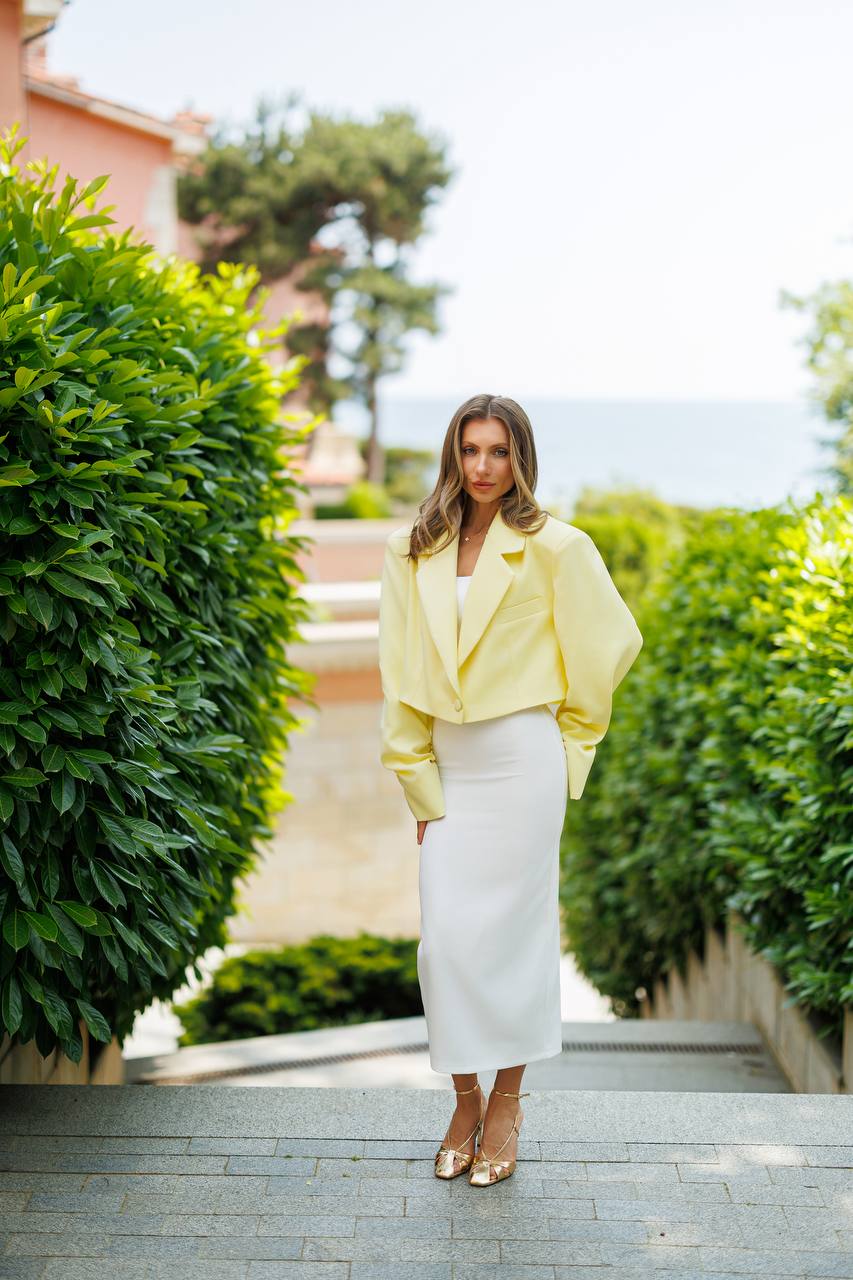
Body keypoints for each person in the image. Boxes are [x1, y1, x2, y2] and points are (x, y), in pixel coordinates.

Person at [378, 393, 643, 1186]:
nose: (484, 468)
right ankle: (464, 1095)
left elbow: (608, 643)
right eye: (470, 451)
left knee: (517, 942)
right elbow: (398, 672)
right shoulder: (410, 549)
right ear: (452, 456)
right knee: (447, 944)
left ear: (520, 457)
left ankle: (506, 1105)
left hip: (524, 763)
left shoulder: (557, 547)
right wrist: (417, 781)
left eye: (498, 452)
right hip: (449, 768)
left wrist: (571, 745)